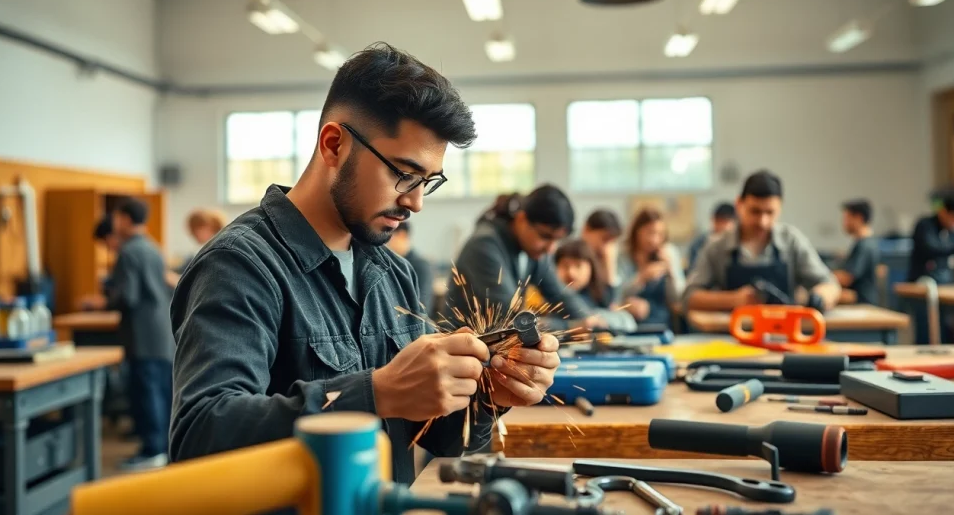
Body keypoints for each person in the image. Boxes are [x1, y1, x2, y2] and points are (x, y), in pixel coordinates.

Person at [169, 43, 560, 486]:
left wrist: (487, 393)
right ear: (334, 144)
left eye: (426, 182)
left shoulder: (391, 273)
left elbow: (434, 435)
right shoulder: (241, 265)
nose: (414, 201)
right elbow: (200, 434)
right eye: (404, 174)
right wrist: (376, 393)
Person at [446, 185, 635, 333]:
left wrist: (590, 320)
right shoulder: (485, 246)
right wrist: (572, 328)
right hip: (462, 357)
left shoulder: (533, 250)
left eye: (557, 240)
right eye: (546, 236)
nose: (551, 248)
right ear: (521, 220)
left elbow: (561, 295)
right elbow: (511, 321)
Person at [82, 198, 175, 472]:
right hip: (162, 330)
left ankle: (152, 450)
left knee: (147, 392)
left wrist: (103, 302)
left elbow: (128, 297)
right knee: (162, 391)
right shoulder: (152, 246)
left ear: (123, 219)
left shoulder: (128, 252)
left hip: (143, 334)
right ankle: (163, 448)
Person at [684, 170, 841, 311]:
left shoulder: (791, 241)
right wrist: (733, 300)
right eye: (755, 211)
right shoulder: (717, 246)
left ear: (780, 208)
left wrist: (819, 298)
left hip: (785, 332)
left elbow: (830, 284)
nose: (762, 221)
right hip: (732, 336)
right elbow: (689, 296)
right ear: (739, 204)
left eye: (770, 212)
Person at [617, 208, 686, 327]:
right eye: (650, 232)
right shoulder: (623, 256)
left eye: (660, 234)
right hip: (629, 320)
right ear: (637, 231)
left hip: (662, 320)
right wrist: (641, 278)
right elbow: (616, 295)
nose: (654, 240)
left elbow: (679, 297)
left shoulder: (669, 253)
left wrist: (671, 271)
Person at [833, 199, 880, 305]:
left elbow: (847, 278)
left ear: (858, 218)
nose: (844, 223)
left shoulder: (864, 245)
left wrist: (822, 275)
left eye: (846, 218)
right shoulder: (868, 243)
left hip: (861, 301)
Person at [387, 221, 435, 313]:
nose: (385, 243)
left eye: (388, 237)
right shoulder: (389, 263)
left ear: (401, 235)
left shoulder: (421, 265)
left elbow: (421, 307)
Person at [554, 239, 616, 309]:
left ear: (591, 268)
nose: (571, 272)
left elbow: (608, 302)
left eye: (578, 265)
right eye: (565, 265)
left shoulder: (595, 295)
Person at [581, 209, 624, 292]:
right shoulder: (569, 255)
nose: (606, 248)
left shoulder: (613, 261)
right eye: (605, 239)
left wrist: (609, 270)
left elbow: (614, 302)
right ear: (586, 229)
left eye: (613, 242)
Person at [687, 202, 736, 270]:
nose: (721, 226)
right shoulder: (699, 244)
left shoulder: (738, 243)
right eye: (718, 221)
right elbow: (694, 271)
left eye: (724, 222)